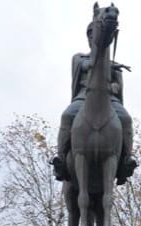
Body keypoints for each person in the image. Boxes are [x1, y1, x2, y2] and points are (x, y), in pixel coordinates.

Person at [52, 18, 136, 184]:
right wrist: (101, 63)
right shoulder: (79, 57)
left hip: (109, 99)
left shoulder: (113, 64)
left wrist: (113, 87)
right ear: (88, 37)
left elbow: (118, 85)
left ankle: (127, 159)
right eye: (90, 34)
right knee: (67, 115)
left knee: (126, 119)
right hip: (83, 97)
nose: (92, 38)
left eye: (94, 34)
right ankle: (60, 158)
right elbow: (84, 67)